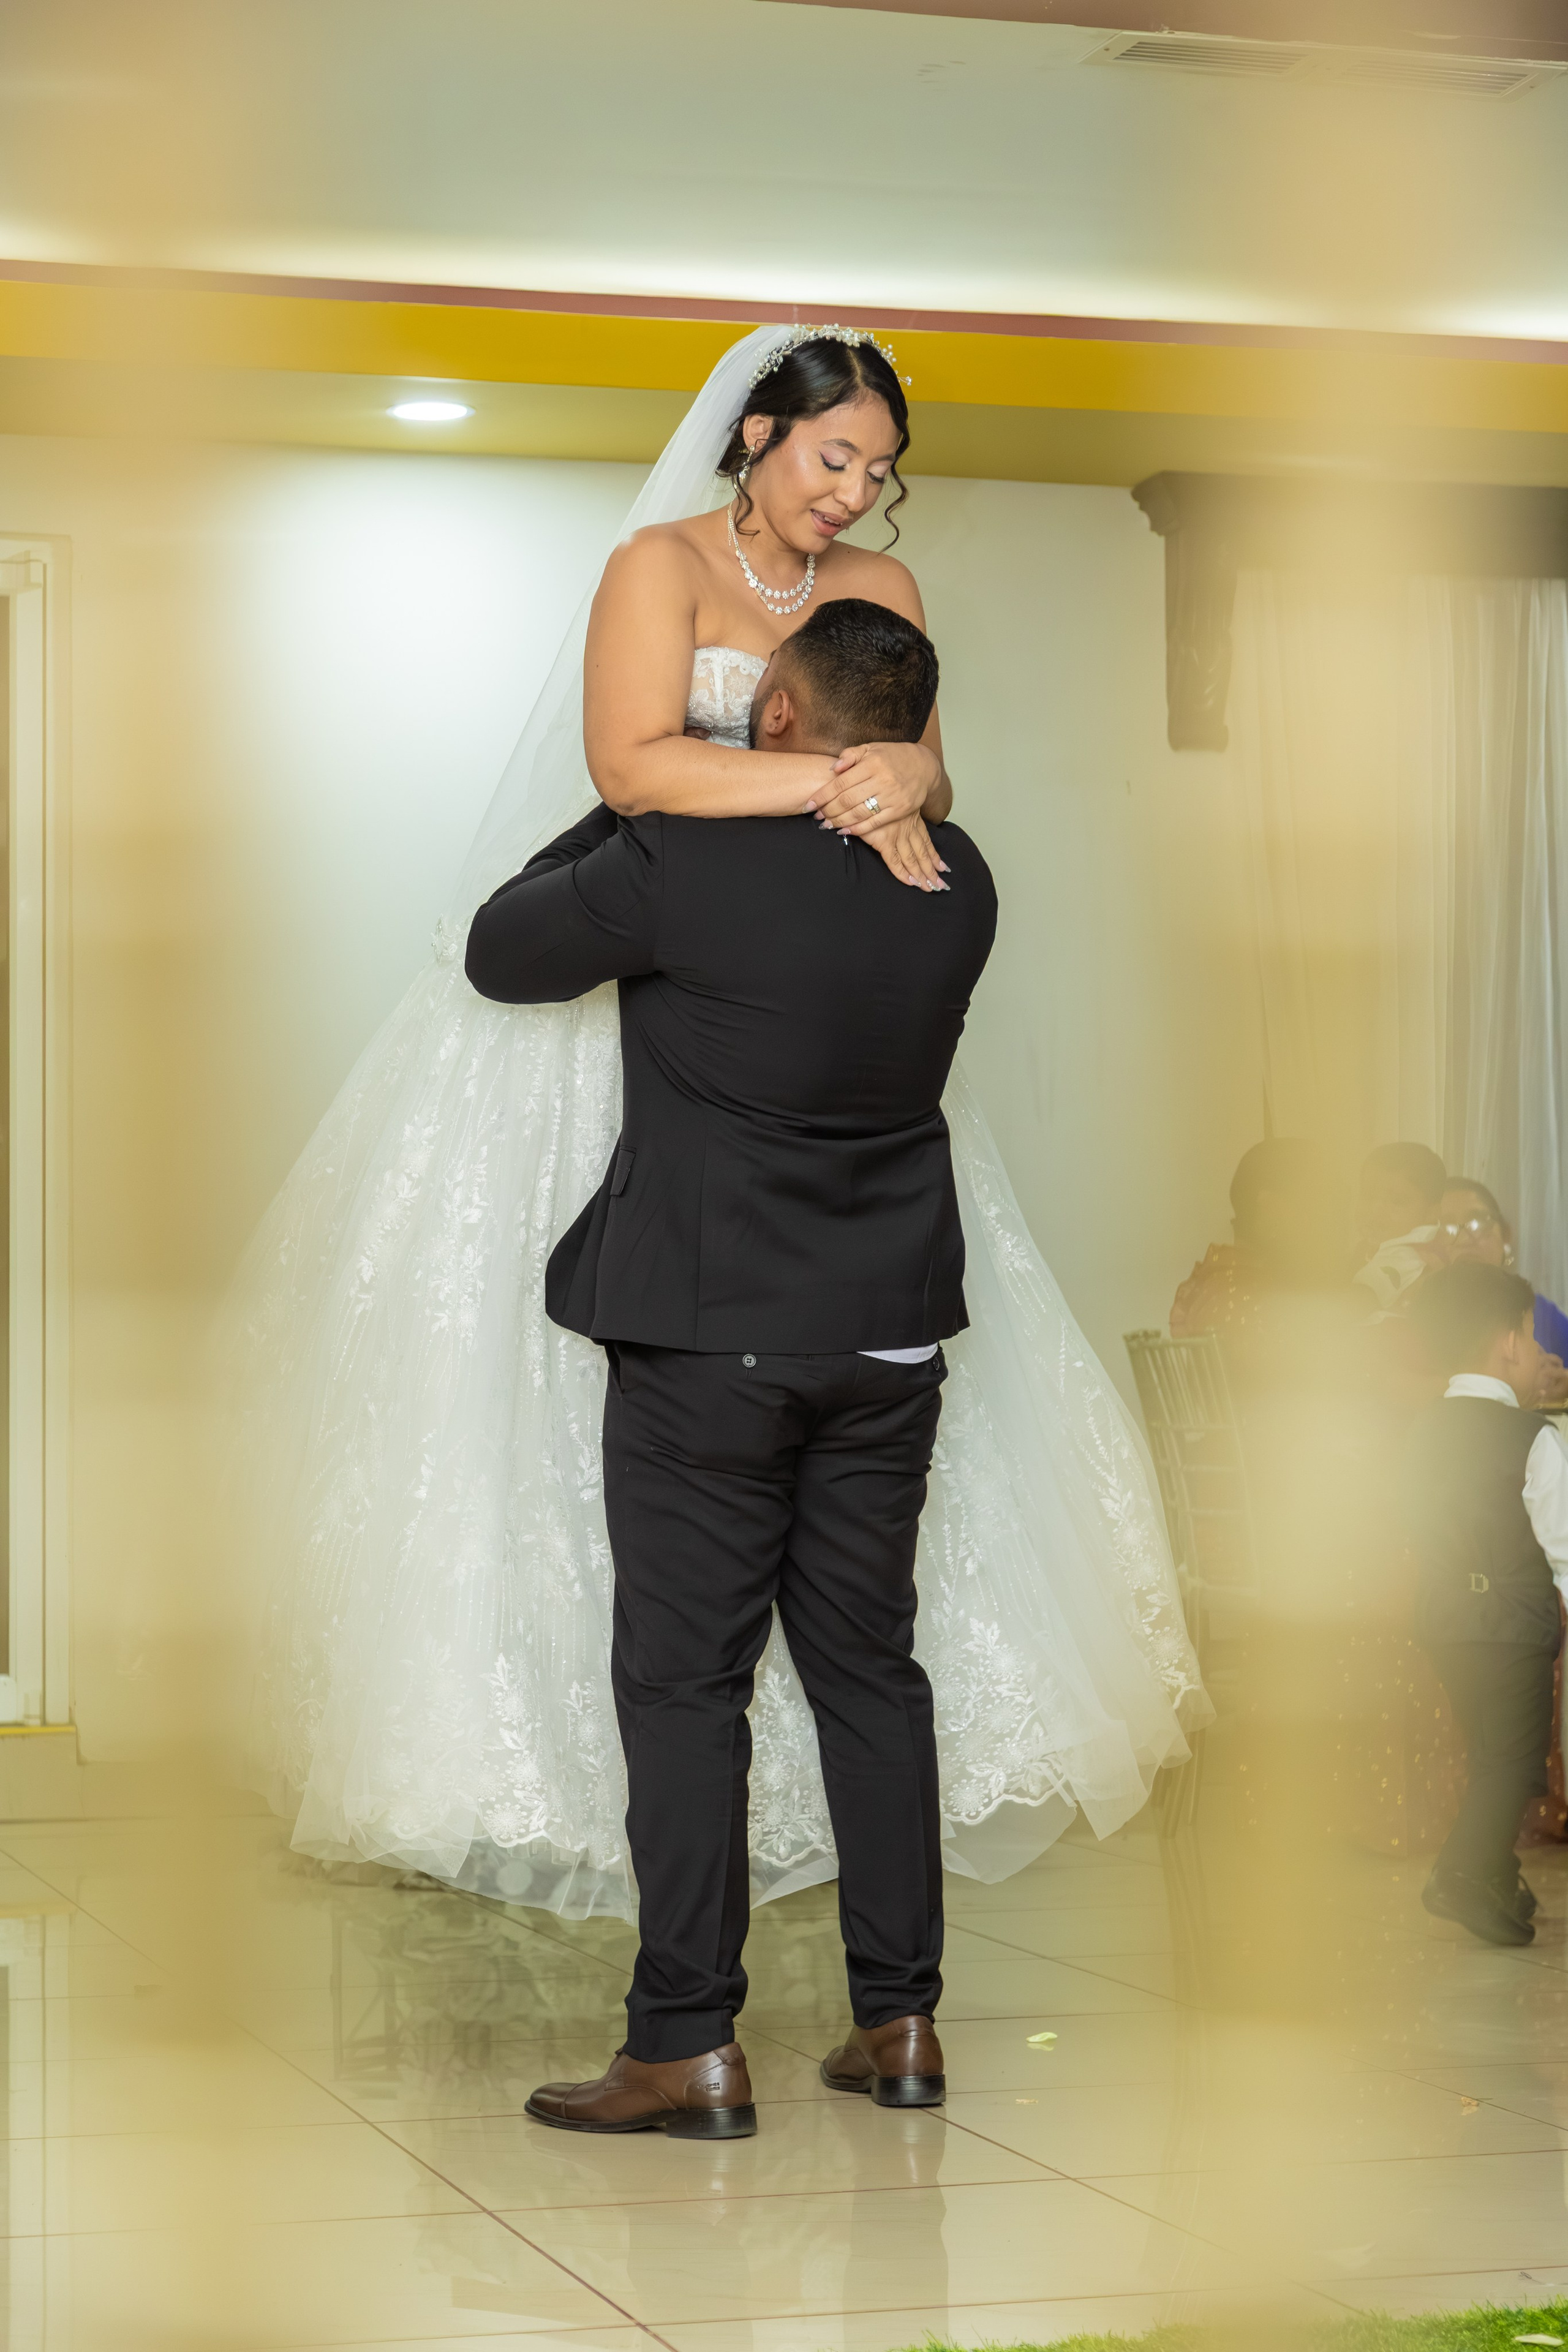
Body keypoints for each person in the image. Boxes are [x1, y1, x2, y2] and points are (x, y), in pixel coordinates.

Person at [235, 323, 1207, 1929]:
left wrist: (889, 779)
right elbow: (635, 763)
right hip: (651, 978)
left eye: (882, 473)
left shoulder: (884, 599)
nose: (857, 495)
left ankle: (743, 1971)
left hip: (780, 1000)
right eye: (836, 458)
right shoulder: (656, 569)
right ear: (758, 434)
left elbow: (927, 772)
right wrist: (845, 784)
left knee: (821, 1574)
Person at [464, 599, 993, 2135]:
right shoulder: (956, 875)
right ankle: (899, 2025)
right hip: (887, 1330)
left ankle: (684, 2039)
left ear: (770, 713)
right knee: (869, 1672)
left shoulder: (677, 856)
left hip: (713, 1334)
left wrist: (644, 779)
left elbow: (503, 948)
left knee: (686, 1687)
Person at [1403, 1262, 1568, 1945]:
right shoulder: (1533, 1438)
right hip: (1515, 1626)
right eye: (1532, 1338)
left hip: (1442, 1620)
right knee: (1513, 1760)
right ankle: (1461, 1875)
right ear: (1507, 1343)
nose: (1538, 1354)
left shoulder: (1414, 1433)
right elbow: (1561, 1545)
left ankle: (1497, 1876)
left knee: (1487, 1751)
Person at [1438, 1178, 1568, 1405]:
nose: (1464, 1238)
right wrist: (1525, 1382)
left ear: (1506, 1235)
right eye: (1446, 1228)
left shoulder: (1537, 1312)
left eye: (1477, 1222)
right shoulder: (1419, 1313)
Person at [1352, 1142, 1448, 1315]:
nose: (1376, 1210)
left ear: (1431, 1214)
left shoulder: (1413, 1255)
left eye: (1397, 1201)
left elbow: (1356, 1303)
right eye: (1368, 1194)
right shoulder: (1363, 1252)